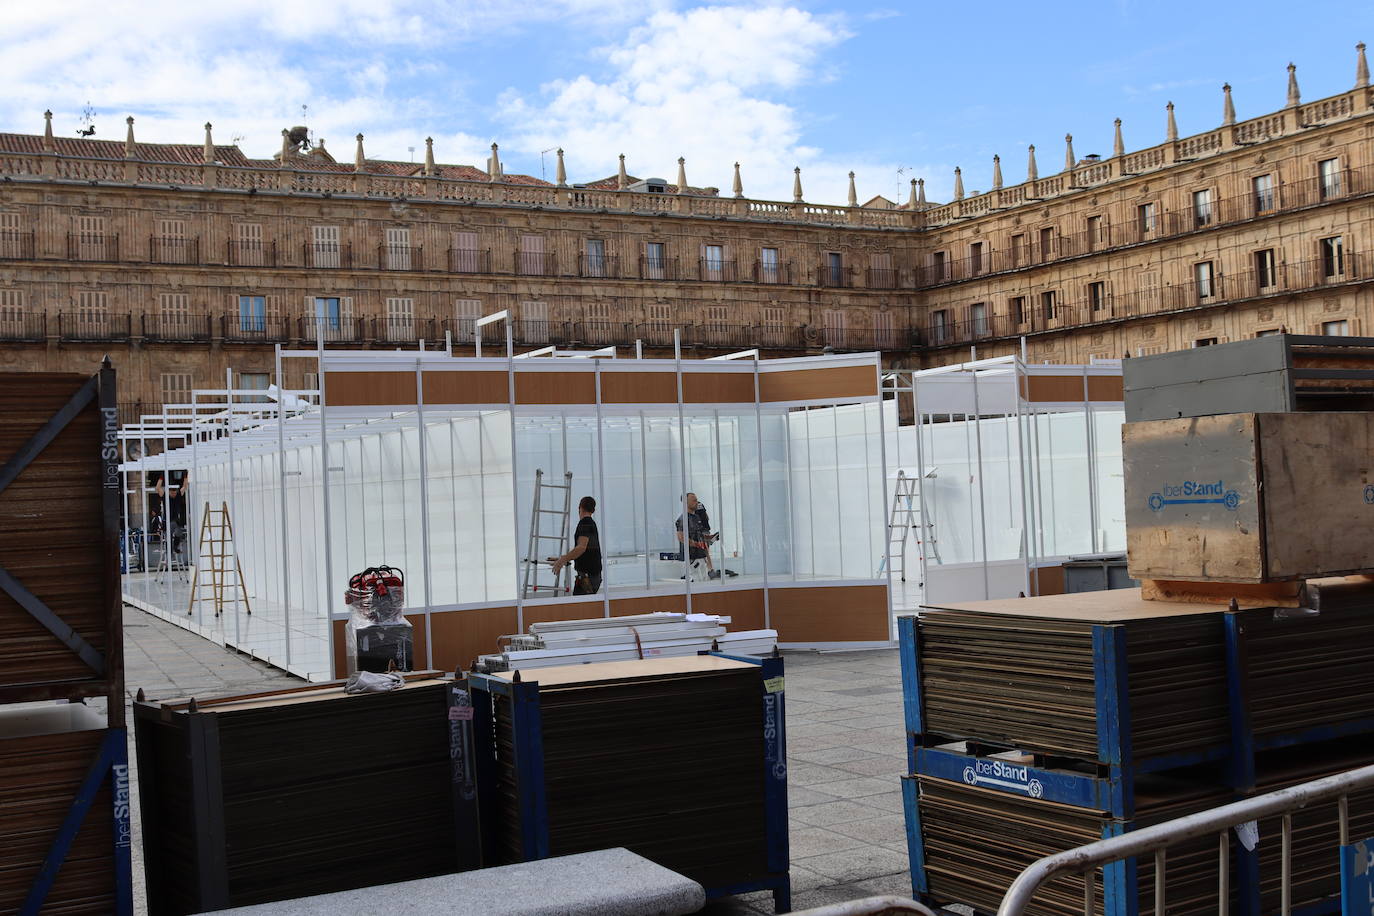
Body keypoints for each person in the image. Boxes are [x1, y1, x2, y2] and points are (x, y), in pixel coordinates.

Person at [675, 492, 736, 580]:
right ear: (686, 503)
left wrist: (710, 537)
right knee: (696, 583)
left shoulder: (696, 517)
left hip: (701, 558)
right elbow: (681, 538)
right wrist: (697, 544)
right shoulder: (682, 519)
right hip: (692, 559)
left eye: (697, 500)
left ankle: (710, 570)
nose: (697, 502)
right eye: (694, 500)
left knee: (704, 582)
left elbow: (700, 534)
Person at [550, 496, 601, 595]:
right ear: (593, 510)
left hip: (587, 577)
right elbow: (584, 551)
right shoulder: (591, 523)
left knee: (580, 608)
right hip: (591, 576)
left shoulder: (585, 523)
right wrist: (562, 558)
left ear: (580, 507)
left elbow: (581, 548)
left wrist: (563, 559)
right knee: (583, 606)